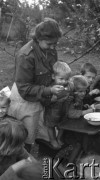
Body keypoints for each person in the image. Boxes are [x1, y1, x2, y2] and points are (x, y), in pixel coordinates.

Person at [8, 17, 63, 153]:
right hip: (25, 99)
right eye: (50, 43)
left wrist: (57, 81)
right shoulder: (26, 56)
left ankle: (44, 154)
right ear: (38, 38)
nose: (53, 47)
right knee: (24, 135)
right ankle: (20, 161)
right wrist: (49, 90)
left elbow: (51, 70)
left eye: (55, 43)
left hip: (41, 93)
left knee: (43, 128)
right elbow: (24, 88)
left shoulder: (50, 49)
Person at [43, 61, 72, 149]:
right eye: (61, 79)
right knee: (50, 126)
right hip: (52, 112)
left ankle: (59, 137)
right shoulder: (50, 87)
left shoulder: (68, 85)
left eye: (66, 79)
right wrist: (51, 99)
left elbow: (71, 88)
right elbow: (43, 100)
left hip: (63, 110)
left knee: (62, 125)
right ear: (53, 76)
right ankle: (53, 140)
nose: (64, 81)